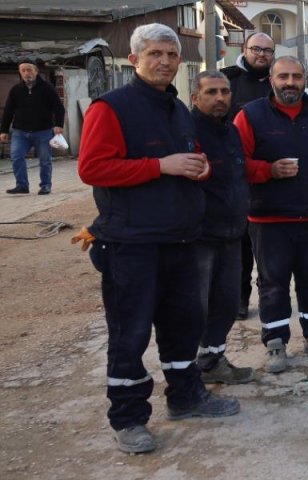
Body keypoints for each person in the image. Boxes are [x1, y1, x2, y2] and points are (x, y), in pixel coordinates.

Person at [78, 23, 239, 454]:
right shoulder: (110, 108)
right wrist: (160, 166)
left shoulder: (178, 110)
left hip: (182, 240)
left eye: (170, 54)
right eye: (154, 54)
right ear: (134, 59)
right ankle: (128, 418)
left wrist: (198, 168)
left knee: (183, 327)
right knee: (130, 335)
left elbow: (183, 161)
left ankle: (186, 397)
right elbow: (92, 168)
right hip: (132, 244)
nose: (164, 61)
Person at [233, 56, 308, 374]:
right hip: (268, 219)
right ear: (271, 79)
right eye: (283, 76)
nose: (290, 82)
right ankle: (275, 344)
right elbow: (234, 162)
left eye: (297, 76)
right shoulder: (251, 115)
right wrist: (267, 170)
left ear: (306, 80)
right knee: (273, 284)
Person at [189, 70, 255, 386]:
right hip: (199, 235)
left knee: (227, 303)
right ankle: (185, 374)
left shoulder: (230, 130)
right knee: (194, 308)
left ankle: (213, 359)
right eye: (212, 92)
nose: (220, 98)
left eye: (225, 92)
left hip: (232, 232)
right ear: (195, 97)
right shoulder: (186, 130)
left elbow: (240, 173)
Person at [223, 33, 275, 320]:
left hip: (273, 174)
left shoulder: (278, 81)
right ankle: (241, 298)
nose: (261, 55)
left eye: (268, 51)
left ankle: (266, 291)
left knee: (266, 245)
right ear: (245, 50)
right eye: (256, 49)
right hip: (237, 175)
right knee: (240, 244)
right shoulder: (228, 81)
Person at [1, 60, 65, 195]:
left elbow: (58, 108)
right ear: (20, 72)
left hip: (43, 131)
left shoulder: (47, 88)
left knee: (44, 160)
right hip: (20, 132)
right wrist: (4, 130)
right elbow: (8, 111)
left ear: (36, 71)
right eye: (23, 70)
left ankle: (45, 185)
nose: (26, 73)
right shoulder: (16, 90)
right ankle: (22, 185)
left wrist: (59, 125)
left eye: (29, 70)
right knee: (16, 156)